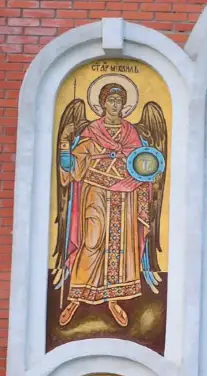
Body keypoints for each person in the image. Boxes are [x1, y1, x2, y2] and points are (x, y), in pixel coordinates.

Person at [56, 83, 160, 328]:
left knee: (120, 246)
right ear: (102, 103)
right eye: (111, 100)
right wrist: (64, 142)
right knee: (92, 241)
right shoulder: (93, 130)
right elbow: (72, 167)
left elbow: (142, 162)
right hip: (96, 191)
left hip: (125, 195)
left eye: (119, 101)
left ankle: (113, 299)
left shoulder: (131, 132)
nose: (115, 105)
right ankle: (76, 298)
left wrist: (150, 170)